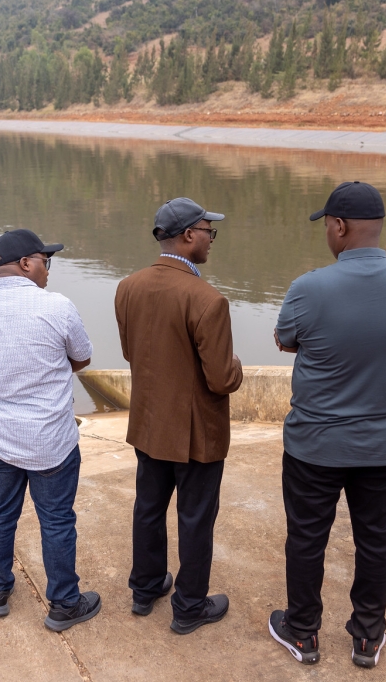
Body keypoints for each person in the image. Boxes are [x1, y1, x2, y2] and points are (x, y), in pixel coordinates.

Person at [266, 182, 386, 669]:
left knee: (307, 538)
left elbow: (285, 339)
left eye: (327, 226)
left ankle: (302, 632)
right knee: (375, 540)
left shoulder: (309, 287)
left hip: (316, 445)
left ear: (338, 226)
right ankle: (367, 636)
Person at [0, 228, 101, 632]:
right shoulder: (57, 307)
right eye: (45, 261)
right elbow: (82, 358)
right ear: (25, 264)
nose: (48, 270)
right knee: (56, 521)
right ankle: (64, 605)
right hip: (50, 439)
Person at [114, 197, 243, 634]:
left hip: (149, 423)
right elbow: (222, 379)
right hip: (195, 434)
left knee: (148, 508)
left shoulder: (128, 287)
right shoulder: (207, 299)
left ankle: (145, 588)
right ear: (189, 235)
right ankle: (188, 607)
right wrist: (236, 365)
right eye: (208, 231)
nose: (211, 239)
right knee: (195, 518)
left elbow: (132, 353)